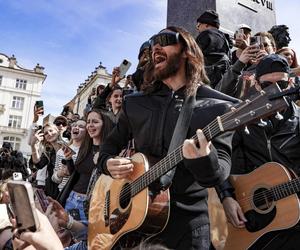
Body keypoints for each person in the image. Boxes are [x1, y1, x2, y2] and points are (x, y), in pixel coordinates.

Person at [97, 26, 237, 249]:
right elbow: (108, 146)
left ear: (186, 50)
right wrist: (107, 163)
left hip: (188, 229)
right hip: (135, 226)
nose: (156, 48)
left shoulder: (216, 107)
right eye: (152, 44)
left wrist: (203, 158)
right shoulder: (135, 103)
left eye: (164, 40)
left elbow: (219, 172)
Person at [218, 54, 300, 249]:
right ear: (256, 84)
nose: (275, 91)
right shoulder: (242, 119)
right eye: (266, 85)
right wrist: (226, 196)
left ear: (290, 83)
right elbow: (220, 157)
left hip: (293, 220)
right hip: (250, 220)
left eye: (281, 84)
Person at [195, 9, 232, 88]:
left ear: (206, 25)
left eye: (198, 25)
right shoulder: (226, 38)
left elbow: (193, 55)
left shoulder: (205, 34)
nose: (197, 28)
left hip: (208, 78)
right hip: (225, 78)